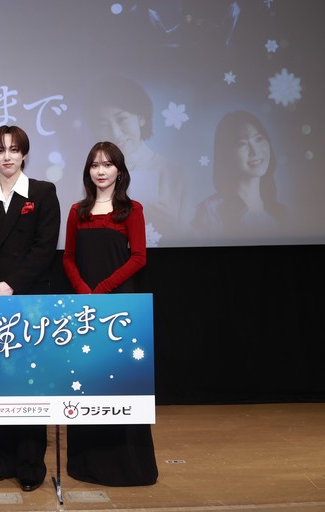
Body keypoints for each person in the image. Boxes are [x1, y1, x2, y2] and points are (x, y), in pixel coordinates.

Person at [0, 125, 61, 492]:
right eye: (0, 150)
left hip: (28, 301)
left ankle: (30, 466)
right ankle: (0, 461)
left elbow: (44, 247)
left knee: (28, 383)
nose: (7, 156)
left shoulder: (42, 192)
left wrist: (11, 285)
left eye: (14, 149)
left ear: (24, 154)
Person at [62, 140, 158, 486]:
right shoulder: (77, 211)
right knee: (87, 382)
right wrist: (84, 292)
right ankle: (86, 464)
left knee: (122, 384)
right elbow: (68, 257)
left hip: (119, 307)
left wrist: (101, 291)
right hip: (85, 308)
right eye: (94, 165)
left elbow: (139, 257)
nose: (100, 171)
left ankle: (128, 466)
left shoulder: (132, 210)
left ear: (119, 170)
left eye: (107, 164)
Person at [83, 77, 188, 245]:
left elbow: (191, 233)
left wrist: (173, 228)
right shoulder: (91, 175)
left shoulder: (173, 172)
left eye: (122, 119)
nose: (116, 133)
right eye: (103, 124)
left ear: (141, 117)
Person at [192, 110, 287, 240]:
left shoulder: (280, 212)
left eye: (259, 139)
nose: (255, 151)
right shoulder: (211, 212)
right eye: (242, 144)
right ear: (225, 155)